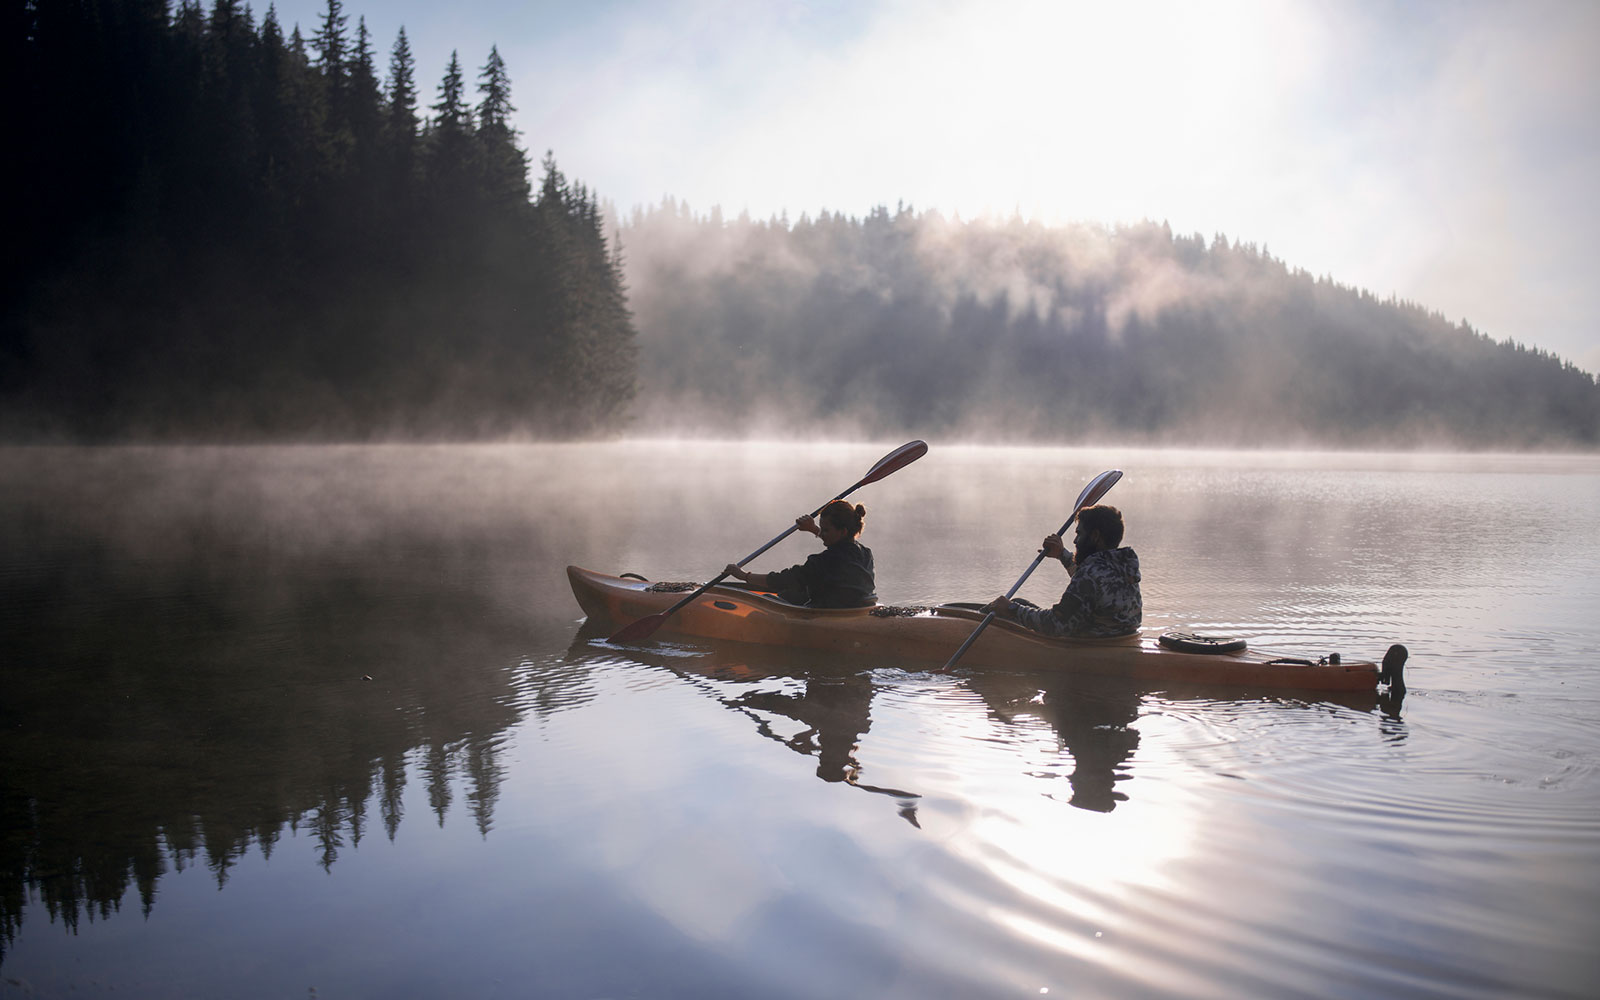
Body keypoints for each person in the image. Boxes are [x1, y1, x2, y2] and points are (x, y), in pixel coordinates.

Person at [983, 504, 1141, 637]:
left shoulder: (1090, 575)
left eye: (1079, 534)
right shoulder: (1122, 566)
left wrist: (1012, 609)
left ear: (1095, 536)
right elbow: (1094, 587)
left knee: (1014, 606)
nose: (1075, 541)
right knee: (1019, 603)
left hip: (1093, 645)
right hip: (1119, 638)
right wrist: (1062, 554)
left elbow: (1056, 624)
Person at [724, 499, 876, 608]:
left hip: (830, 613)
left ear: (842, 531)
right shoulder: (865, 554)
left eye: (826, 530)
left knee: (770, 600)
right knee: (795, 594)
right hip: (857, 608)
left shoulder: (821, 562)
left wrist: (743, 576)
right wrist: (813, 529)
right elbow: (840, 549)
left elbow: (782, 580)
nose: (821, 532)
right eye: (821, 528)